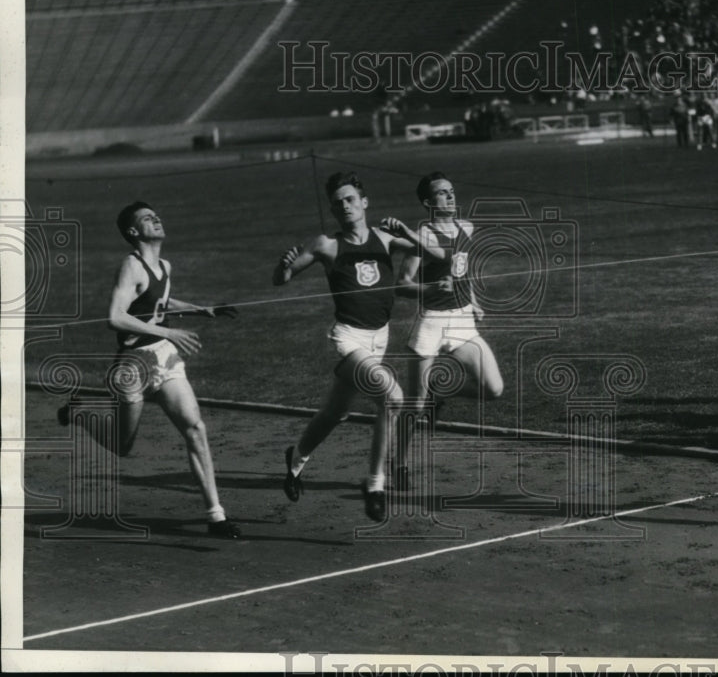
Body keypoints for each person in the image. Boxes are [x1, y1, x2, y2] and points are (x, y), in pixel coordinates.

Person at [58, 202, 241, 538]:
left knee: (195, 428)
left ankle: (216, 516)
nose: (156, 218)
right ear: (133, 232)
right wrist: (170, 331)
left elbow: (160, 300)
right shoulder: (131, 266)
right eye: (146, 218)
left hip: (164, 358)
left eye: (156, 215)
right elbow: (116, 316)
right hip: (133, 365)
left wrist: (205, 310)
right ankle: (80, 411)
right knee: (122, 446)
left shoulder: (164, 265)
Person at [273, 172, 444, 522]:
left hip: (378, 340)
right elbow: (282, 278)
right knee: (392, 398)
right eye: (338, 203)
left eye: (350, 199)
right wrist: (283, 266)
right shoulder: (327, 245)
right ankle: (375, 483)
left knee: (335, 413)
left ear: (364, 202)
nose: (344, 206)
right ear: (333, 211)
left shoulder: (385, 237)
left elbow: (437, 255)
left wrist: (407, 233)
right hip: (348, 338)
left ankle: (296, 461)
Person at [392, 172, 504, 490]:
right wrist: (429, 287)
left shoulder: (466, 228)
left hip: (462, 320)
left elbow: (463, 272)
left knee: (493, 389)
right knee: (414, 404)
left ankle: (438, 395)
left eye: (452, 191)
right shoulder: (421, 237)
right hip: (432, 321)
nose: (451, 197)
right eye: (443, 193)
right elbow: (401, 286)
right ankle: (398, 464)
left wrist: (475, 302)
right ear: (429, 202)